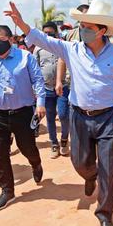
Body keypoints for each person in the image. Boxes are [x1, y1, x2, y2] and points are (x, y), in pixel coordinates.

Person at [10, 0, 113, 226]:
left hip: (109, 117)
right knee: (80, 162)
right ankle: (90, 177)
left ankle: (105, 214)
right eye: (81, 26)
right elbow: (46, 41)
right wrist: (23, 25)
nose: (83, 30)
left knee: (109, 169)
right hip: (79, 116)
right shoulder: (73, 49)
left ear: (101, 30)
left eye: (88, 27)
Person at [0, 25, 46, 211]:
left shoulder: (25, 58)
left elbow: (38, 81)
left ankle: (35, 163)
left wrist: (40, 103)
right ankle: (7, 190)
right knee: (0, 153)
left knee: (27, 147)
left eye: (0, 41)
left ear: (11, 40)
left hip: (22, 113)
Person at [34, 21, 71, 159]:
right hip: (46, 88)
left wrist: (63, 80)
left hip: (62, 87)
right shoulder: (38, 48)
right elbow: (35, 69)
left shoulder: (62, 47)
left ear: (56, 33)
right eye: (45, 33)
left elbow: (69, 64)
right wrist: (36, 89)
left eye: (51, 33)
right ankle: (54, 143)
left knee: (63, 115)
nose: (48, 35)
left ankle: (64, 140)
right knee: (49, 117)